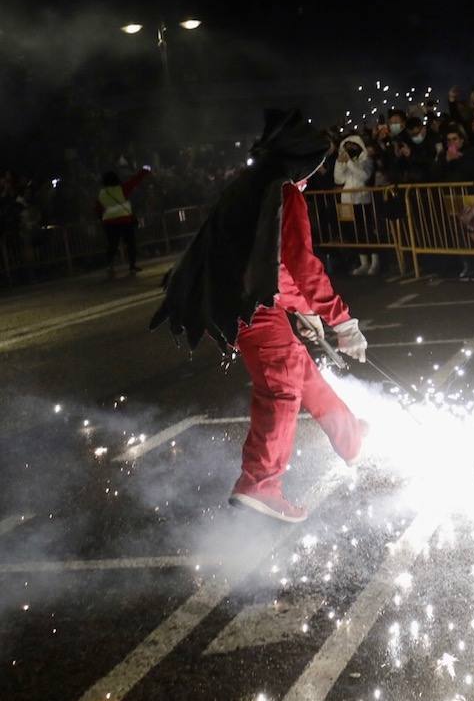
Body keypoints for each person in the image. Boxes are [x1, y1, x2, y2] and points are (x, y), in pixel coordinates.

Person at [150, 109, 369, 523]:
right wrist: (341, 320)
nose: (312, 176)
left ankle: (350, 438)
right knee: (281, 386)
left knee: (301, 370)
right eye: (314, 167)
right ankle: (260, 484)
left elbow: (268, 264)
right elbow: (300, 263)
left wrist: (304, 309)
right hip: (250, 308)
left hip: (243, 301)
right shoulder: (285, 193)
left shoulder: (252, 187)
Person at [335, 135, 379, 276]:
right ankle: (363, 262)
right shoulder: (346, 161)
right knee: (354, 231)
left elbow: (364, 176)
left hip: (362, 200)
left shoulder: (366, 160)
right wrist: (340, 163)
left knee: (366, 230)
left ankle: (375, 261)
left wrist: (349, 163)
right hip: (347, 200)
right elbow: (338, 178)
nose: (350, 150)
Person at [96, 167, 148, 276]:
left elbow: (98, 208)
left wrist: (101, 219)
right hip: (125, 221)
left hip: (109, 223)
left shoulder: (102, 193)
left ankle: (110, 266)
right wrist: (145, 170)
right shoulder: (122, 189)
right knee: (130, 244)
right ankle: (132, 266)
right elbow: (135, 181)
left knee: (112, 245)